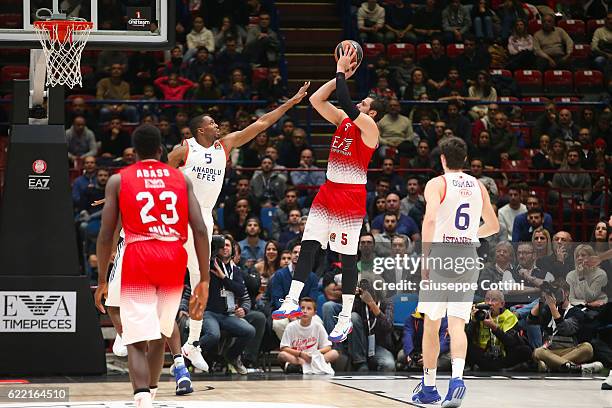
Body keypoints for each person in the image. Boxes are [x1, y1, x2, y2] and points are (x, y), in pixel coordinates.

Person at [166, 82, 310, 371]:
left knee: (200, 283)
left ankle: (192, 344)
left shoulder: (225, 145)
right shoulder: (183, 150)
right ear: (199, 130)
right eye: (212, 123)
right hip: (176, 214)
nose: (217, 125)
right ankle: (128, 325)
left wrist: (291, 102)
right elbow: (156, 174)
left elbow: (262, 123)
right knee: (164, 277)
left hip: (203, 218)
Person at [272, 44, 384, 344]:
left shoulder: (369, 129)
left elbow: (347, 102)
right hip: (329, 189)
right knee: (308, 244)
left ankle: (346, 316)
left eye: (365, 103)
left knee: (346, 259)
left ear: (372, 113)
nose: (359, 104)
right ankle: (292, 298)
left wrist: (341, 72)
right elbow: (316, 98)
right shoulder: (344, 121)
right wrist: (341, 75)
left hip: (350, 195)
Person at [94, 125, 210, 408]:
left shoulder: (119, 180)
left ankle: (142, 396)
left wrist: (102, 280)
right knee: (160, 334)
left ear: (134, 153)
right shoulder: (181, 179)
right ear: (161, 151)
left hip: (140, 253)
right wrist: (204, 279)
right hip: (173, 254)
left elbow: (106, 234)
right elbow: (200, 230)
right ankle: (153, 394)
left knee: (136, 340)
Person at [413, 137, 499, 406]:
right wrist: (471, 233)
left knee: (432, 324)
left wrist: (425, 257)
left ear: (442, 159)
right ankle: (457, 380)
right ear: (465, 159)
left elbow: (429, 219)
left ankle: (429, 386)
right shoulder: (478, 185)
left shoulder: (437, 183)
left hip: (441, 256)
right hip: (467, 257)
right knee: (458, 324)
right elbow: (494, 226)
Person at [466, 290, 532, 370]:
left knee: (525, 350)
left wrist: (495, 328)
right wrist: (473, 321)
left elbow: (510, 342)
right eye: (487, 299)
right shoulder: (478, 311)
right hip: (482, 353)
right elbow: (467, 337)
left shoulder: (509, 316)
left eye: (494, 300)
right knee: (464, 343)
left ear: (502, 304)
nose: (489, 303)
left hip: (502, 355)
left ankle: (488, 366)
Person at [279, 297, 339, 374]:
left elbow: (328, 347)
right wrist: (300, 354)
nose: (305, 311)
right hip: (298, 357)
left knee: (334, 353)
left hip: (314, 357)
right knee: (282, 355)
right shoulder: (291, 326)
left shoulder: (318, 326)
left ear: (314, 313)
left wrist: (316, 353)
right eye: (302, 308)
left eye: (309, 308)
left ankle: (299, 368)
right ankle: (309, 366)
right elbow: (284, 348)